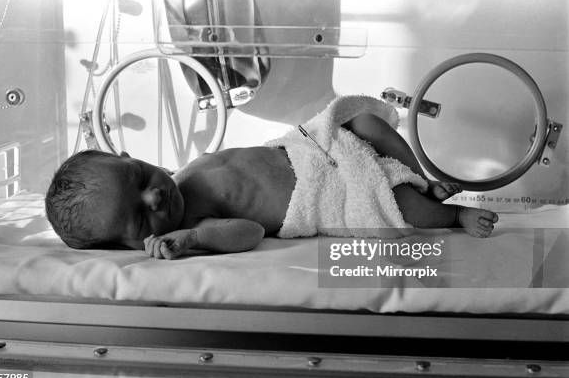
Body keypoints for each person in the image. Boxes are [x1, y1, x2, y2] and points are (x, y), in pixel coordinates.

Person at [46, 96, 498, 259]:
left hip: (309, 151)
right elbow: (251, 232)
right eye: (141, 221)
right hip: (323, 192)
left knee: (360, 119)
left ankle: (422, 175)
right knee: (400, 207)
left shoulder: (184, 173)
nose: (154, 198)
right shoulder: (197, 225)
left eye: (141, 177)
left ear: (133, 157)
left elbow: (253, 156)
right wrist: (192, 241)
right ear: (130, 246)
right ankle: (449, 213)